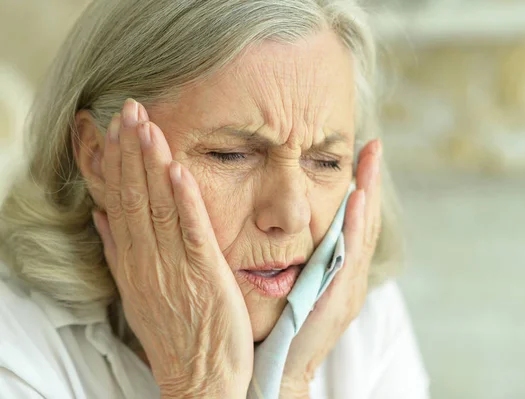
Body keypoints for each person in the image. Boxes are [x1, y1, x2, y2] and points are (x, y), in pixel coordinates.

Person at [0, 0, 429, 397]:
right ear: (98, 157)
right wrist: (202, 386)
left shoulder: (363, 316)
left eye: (325, 161)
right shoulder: (14, 347)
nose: (292, 214)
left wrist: (292, 380)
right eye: (231, 155)